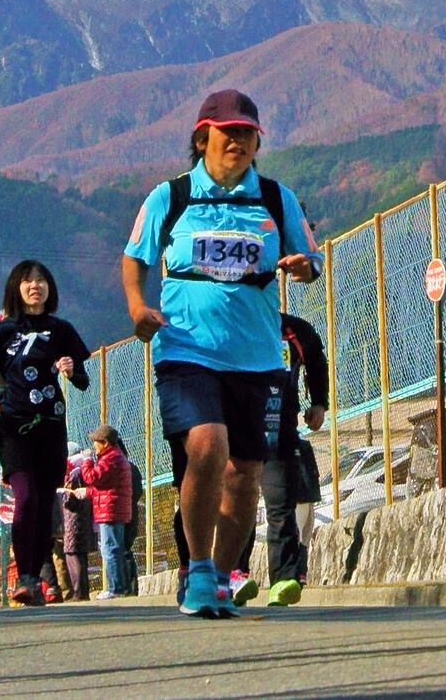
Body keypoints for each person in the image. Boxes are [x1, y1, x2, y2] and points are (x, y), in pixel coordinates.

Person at [124, 88, 323, 619]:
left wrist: (304, 267)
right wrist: (138, 307)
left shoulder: (278, 199)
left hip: (257, 357)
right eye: (226, 132)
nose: (237, 141)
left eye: (247, 133)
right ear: (201, 137)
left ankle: (222, 572)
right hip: (186, 348)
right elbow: (134, 257)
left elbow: (309, 257)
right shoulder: (171, 197)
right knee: (208, 446)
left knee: (245, 475)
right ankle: (197, 569)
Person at [0, 260, 93, 606]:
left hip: (51, 428)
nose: (35, 286)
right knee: (25, 499)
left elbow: (83, 381)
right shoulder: (2, 331)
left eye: (41, 280)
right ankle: (25, 576)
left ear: (49, 288)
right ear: (16, 288)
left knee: (42, 505)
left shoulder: (62, 330)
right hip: (14, 427)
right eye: (27, 281)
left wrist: (71, 372)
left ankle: (34, 579)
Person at [252, 312, 329, 607]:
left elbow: (316, 363)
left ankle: (285, 577)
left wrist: (319, 403)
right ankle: (234, 572)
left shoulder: (295, 331)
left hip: (282, 425)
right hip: (239, 425)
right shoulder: (230, 321)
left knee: (283, 501)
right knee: (241, 495)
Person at [79, 426, 135, 600]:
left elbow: (91, 478)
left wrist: (87, 461)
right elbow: (104, 487)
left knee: (110, 549)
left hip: (110, 510)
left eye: (96, 442)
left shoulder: (110, 459)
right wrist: (88, 492)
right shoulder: (116, 457)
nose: (94, 446)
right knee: (114, 548)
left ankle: (116, 588)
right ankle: (119, 587)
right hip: (113, 507)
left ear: (105, 442)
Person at [58, 446, 94, 602]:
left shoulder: (73, 474)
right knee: (80, 556)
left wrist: (62, 494)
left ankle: (79, 592)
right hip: (83, 519)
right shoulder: (83, 471)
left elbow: (70, 500)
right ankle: (82, 591)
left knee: (73, 556)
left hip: (73, 521)